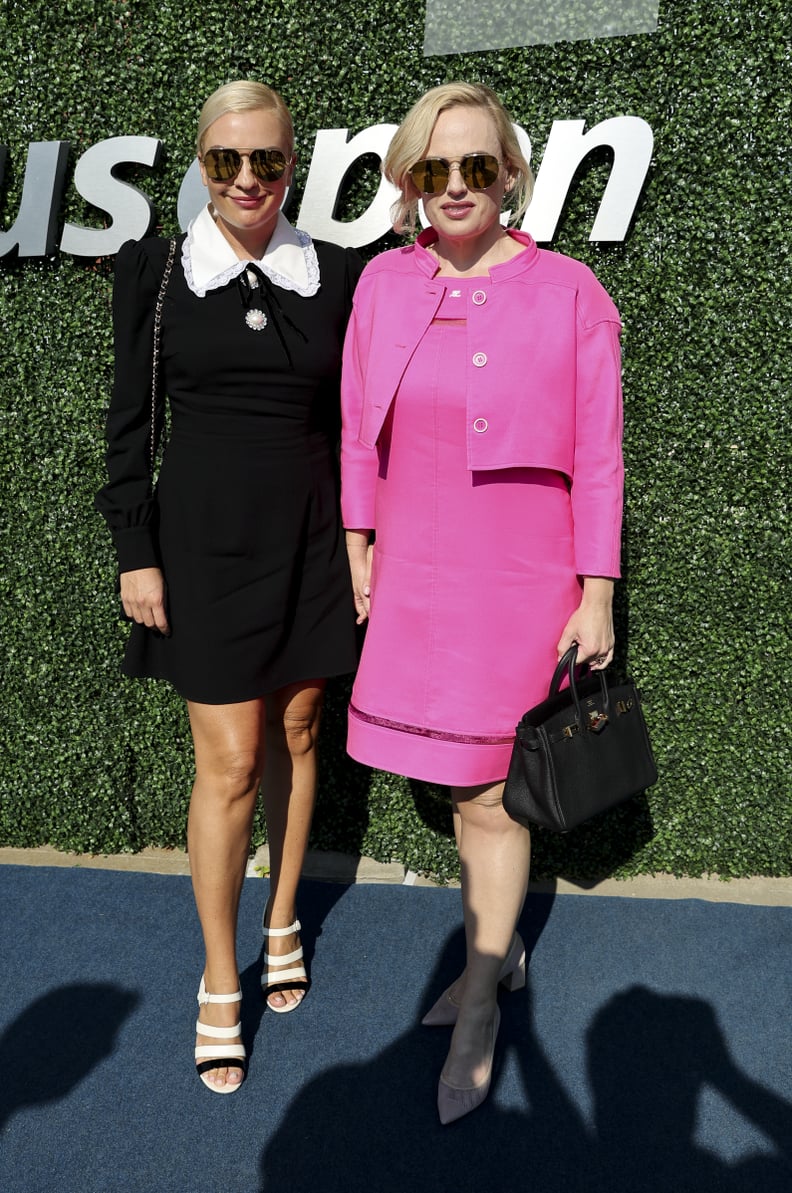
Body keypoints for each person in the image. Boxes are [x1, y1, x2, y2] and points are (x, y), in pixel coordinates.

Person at [340, 82, 623, 1123]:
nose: (455, 186)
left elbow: (600, 453)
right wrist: (359, 543)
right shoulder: (380, 285)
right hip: (418, 570)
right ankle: (489, 963)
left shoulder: (571, 290)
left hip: (524, 578)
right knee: (460, 789)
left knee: (495, 797)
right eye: (433, 169)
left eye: (475, 166)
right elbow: (352, 430)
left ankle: (477, 1003)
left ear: (508, 173)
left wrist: (597, 591)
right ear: (411, 181)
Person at [96, 80, 362, 1093]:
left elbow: (356, 427)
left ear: (293, 164)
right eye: (226, 161)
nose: (249, 179)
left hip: (309, 543)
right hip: (200, 547)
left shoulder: (334, 273)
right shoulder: (157, 272)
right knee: (231, 760)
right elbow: (130, 425)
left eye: (269, 161)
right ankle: (220, 971)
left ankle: (284, 911)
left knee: (299, 733)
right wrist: (135, 547)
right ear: (200, 165)